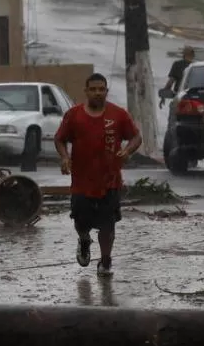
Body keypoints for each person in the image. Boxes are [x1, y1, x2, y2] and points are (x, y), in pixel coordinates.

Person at [55, 73, 142, 277]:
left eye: (101, 89)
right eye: (93, 89)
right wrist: (65, 157)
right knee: (80, 221)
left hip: (110, 181)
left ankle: (105, 261)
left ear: (106, 91)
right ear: (86, 91)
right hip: (81, 182)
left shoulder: (119, 115)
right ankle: (84, 240)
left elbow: (136, 136)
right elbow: (60, 139)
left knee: (107, 226)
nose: (97, 93)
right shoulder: (74, 115)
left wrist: (128, 151)